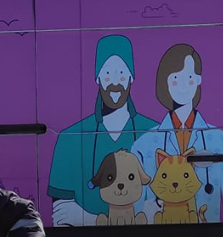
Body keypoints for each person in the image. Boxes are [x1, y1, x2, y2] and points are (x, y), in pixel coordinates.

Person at [130, 43, 223, 224]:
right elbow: (135, 210)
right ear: (166, 82)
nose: (183, 86)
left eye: (189, 78)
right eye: (176, 79)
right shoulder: (142, 145)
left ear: (198, 80)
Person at [46, 34, 159, 226]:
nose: (115, 83)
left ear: (132, 77)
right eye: (108, 74)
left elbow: (163, 203)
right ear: (97, 77)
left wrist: (91, 219)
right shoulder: (69, 138)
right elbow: (62, 214)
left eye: (122, 74)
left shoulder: (155, 133)